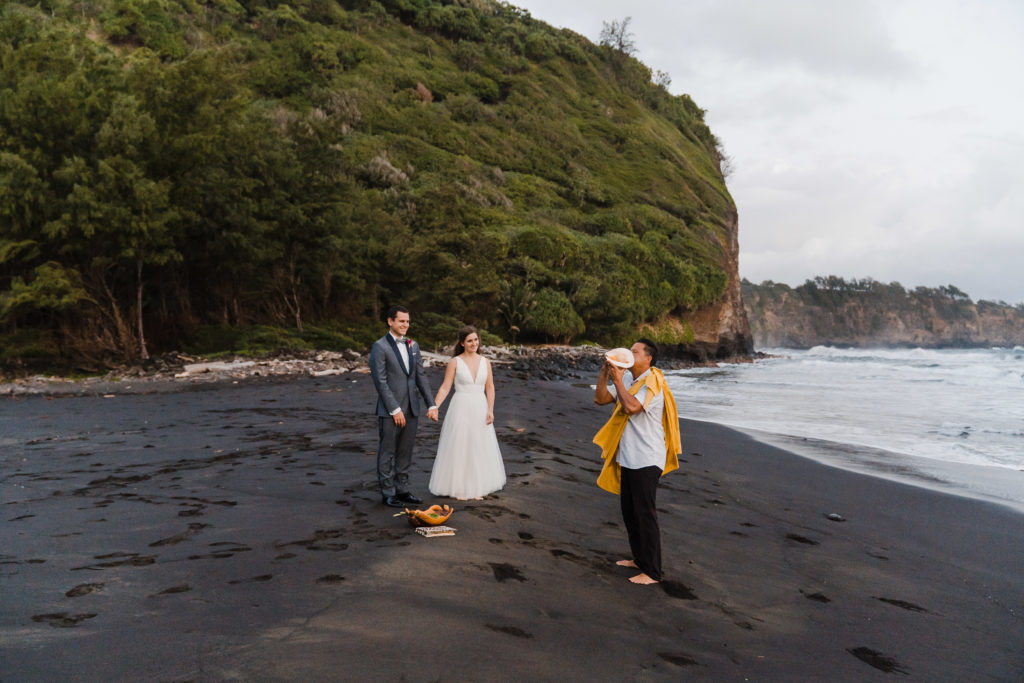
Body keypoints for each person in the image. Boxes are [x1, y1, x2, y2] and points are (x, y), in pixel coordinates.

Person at [593, 339, 681, 585]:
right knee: (630, 512)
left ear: (648, 358)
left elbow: (631, 407)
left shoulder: (652, 381)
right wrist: (605, 374)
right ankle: (640, 559)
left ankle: (653, 572)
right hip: (629, 456)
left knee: (645, 514)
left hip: (648, 457)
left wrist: (618, 381)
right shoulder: (631, 380)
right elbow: (600, 399)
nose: (630, 354)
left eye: (635, 351)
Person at [370, 305, 439, 508]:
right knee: (387, 451)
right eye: (401, 321)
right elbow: (380, 382)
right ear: (390, 321)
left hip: (412, 407)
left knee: (405, 452)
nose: (405, 325)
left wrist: (431, 404)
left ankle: (403, 490)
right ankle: (388, 492)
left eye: (407, 321)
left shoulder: (413, 345)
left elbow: (420, 377)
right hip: (391, 410)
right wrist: (394, 409)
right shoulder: (379, 347)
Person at [428, 326, 506, 501]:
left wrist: (490, 410)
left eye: (476, 340)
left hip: (480, 406)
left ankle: (478, 487)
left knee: (478, 445)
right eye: (469, 340)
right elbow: (445, 387)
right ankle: (460, 488)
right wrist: (435, 406)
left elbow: (490, 387)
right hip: (460, 406)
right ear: (462, 343)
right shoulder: (455, 362)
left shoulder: (485, 361)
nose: (474, 343)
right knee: (460, 445)